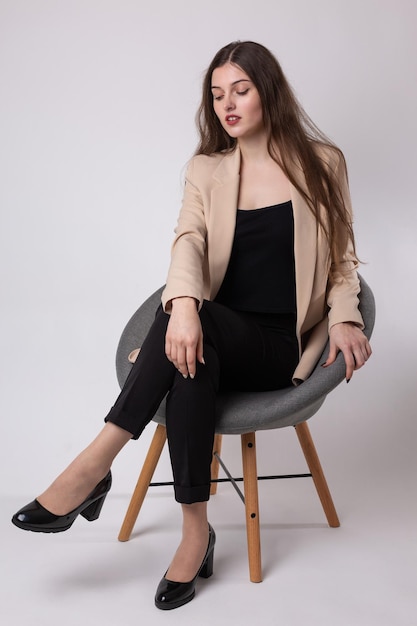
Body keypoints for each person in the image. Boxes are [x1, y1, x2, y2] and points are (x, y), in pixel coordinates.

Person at [12, 41, 372, 610]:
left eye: (241, 90)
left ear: (268, 92)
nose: (227, 103)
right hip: (209, 334)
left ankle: (96, 463)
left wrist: (347, 317)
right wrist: (182, 308)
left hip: (277, 345)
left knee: (191, 328)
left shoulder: (322, 162)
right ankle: (194, 532)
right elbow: (189, 241)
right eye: (217, 93)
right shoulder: (207, 169)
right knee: (189, 350)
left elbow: (344, 257)